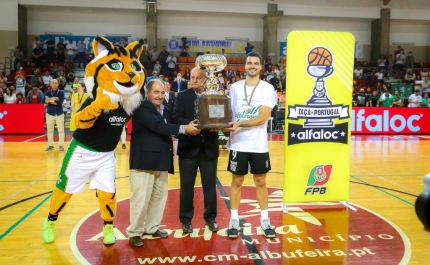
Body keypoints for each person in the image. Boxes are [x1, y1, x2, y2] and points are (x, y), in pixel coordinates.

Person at [126, 79, 200, 247]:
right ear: (148, 93)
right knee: (141, 199)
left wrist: (190, 128)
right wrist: (183, 129)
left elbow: (171, 127)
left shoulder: (166, 110)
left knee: (159, 197)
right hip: (144, 162)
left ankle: (152, 227)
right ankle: (135, 232)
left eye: (162, 92)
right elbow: (158, 126)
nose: (159, 96)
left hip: (162, 160)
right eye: (156, 92)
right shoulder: (141, 109)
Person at [224, 51, 277, 238]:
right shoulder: (234, 88)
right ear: (244, 66)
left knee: (261, 181)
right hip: (237, 143)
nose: (252, 66)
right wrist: (221, 125)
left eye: (256, 63)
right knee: (236, 181)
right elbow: (227, 114)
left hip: (257, 144)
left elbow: (263, 117)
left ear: (261, 67)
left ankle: (265, 218)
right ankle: (234, 219)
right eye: (249, 63)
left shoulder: (268, 89)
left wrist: (239, 124)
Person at [173, 67, 219, 234]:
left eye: (198, 78)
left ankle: (210, 218)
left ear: (206, 79)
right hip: (188, 148)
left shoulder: (214, 96)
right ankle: (186, 220)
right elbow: (175, 117)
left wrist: (217, 125)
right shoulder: (182, 96)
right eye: (192, 77)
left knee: (209, 187)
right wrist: (190, 124)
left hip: (209, 148)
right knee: (186, 187)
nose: (194, 80)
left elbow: (221, 116)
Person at [44, 79, 65, 151]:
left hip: (59, 113)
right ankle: (50, 145)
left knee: (61, 130)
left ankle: (61, 145)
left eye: (56, 83)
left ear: (58, 84)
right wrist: (55, 99)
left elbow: (60, 103)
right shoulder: (47, 92)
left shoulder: (61, 92)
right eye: (53, 83)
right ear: (50, 84)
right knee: (49, 130)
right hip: (49, 113)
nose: (54, 84)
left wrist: (50, 100)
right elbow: (46, 101)